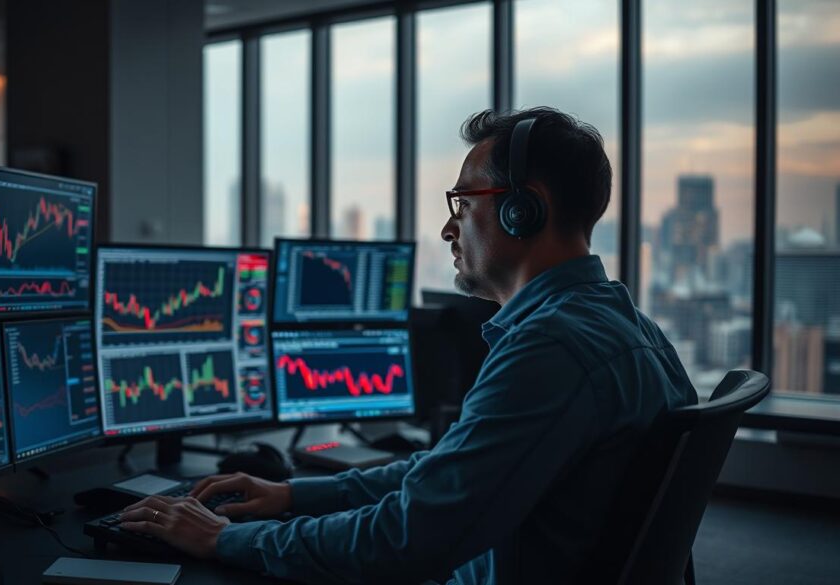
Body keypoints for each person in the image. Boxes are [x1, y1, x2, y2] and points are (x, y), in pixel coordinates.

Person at [116, 107, 698, 584]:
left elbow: (406, 539)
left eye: (464, 204)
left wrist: (223, 536)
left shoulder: (550, 348)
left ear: (524, 209)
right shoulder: (626, 326)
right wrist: (294, 494)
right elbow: (448, 476)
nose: (449, 228)